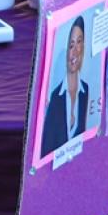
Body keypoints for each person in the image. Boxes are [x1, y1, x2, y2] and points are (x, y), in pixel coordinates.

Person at [41, 16, 91, 154]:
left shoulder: (85, 91)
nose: (74, 51)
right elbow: (45, 148)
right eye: (71, 45)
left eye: (79, 42)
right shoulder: (55, 97)